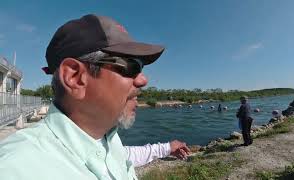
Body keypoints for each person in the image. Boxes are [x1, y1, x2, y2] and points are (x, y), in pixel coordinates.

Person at [0, 14, 190, 179]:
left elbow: (119, 156)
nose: (143, 80)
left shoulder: (104, 136)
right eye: (132, 66)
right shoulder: (17, 168)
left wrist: (166, 148)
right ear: (75, 78)